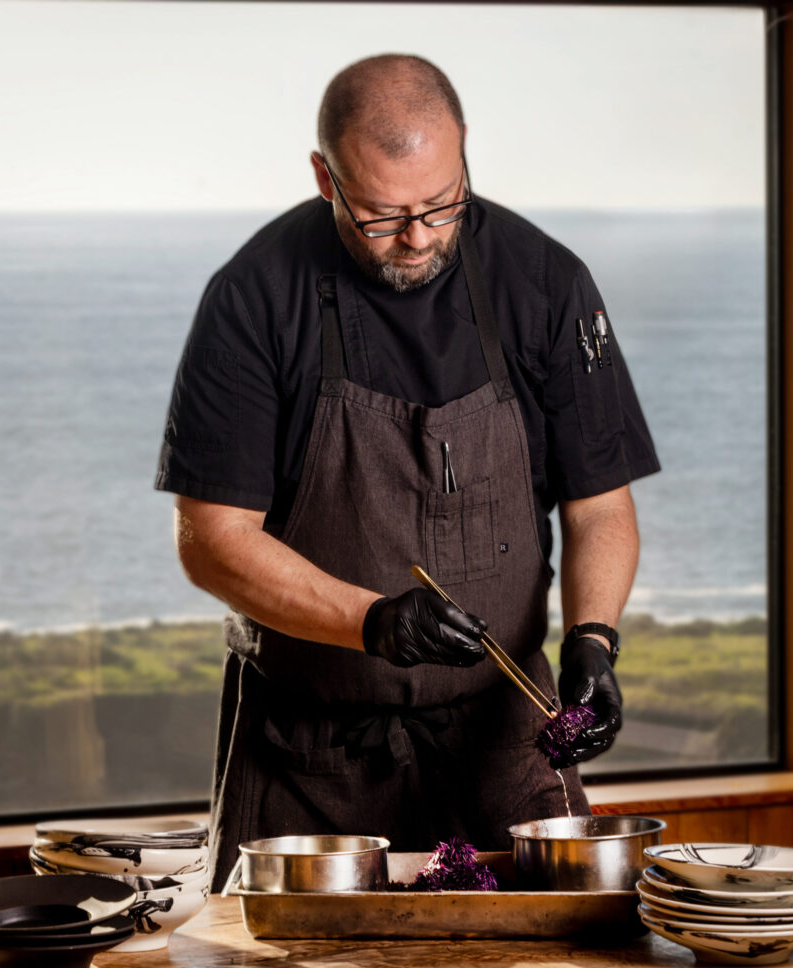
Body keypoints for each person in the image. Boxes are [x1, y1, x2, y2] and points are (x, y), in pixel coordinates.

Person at [156, 54, 660, 890]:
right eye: (384, 214)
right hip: (308, 760)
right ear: (326, 177)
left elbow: (600, 506)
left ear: (464, 154)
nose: (420, 237)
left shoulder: (546, 282)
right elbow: (211, 542)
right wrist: (374, 622)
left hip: (504, 741)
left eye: (441, 202)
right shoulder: (252, 297)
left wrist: (594, 639)